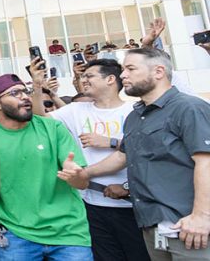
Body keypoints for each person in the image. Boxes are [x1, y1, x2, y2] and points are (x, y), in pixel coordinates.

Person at [83, 46, 210, 259]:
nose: (123, 75)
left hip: (190, 226)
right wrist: (83, 173)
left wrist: (202, 216)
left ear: (158, 72)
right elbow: (122, 156)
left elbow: (206, 163)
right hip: (152, 226)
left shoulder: (189, 108)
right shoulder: (135, 117)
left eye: (131, 69)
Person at [0, 73, 93, 259]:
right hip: (17, 233)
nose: (25, 97)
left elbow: (82, 184)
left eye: (25, 91)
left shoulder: (53, 128)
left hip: (68, 231)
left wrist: (75, 175)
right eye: (15, 93)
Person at [34, 58, 148, 261]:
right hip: (91, 203)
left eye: (89, 76)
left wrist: (111, 142)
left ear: (110, 79)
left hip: (132, 203)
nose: (83, 80)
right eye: (83, 76)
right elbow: (40, 119)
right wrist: (36, 85)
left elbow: (147, 150)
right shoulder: (76, 110)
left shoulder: (135, 110)